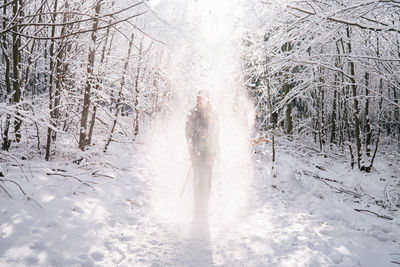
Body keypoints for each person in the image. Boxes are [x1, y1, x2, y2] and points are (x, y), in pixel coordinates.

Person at [185, 91, 219, 216]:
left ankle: (204, 207)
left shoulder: (213, 114)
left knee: (207, 181)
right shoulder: (191, 114)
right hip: (195, 152)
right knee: (197, 180)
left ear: (207, 99)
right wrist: (192, 153)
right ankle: (197, 207)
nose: (199, 100)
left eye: (202, 98)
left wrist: (211, 154)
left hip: (208, 152)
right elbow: (188, 134)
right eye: (198, 98)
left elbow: (215, 135)